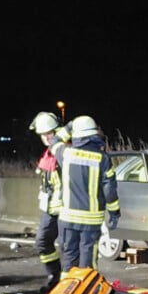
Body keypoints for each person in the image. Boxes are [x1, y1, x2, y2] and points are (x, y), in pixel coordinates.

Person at [50, 115, 119, 273]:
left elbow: (54, 141)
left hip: (68, 219)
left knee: (68, 261)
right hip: (91, 221)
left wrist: (68, 127)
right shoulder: (103, 159)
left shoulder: (66, 154)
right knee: (88, 263)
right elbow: (109, 190)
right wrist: (114, 213)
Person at [28, 111, 66, 294]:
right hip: (50, 208)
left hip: (66, 209)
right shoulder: (48, 154)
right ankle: (54, 275)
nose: (44, 138)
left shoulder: (63, 151)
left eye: (46, 134)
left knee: (68, 248)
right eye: (42, 135)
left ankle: (68, 285)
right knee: (42, 241)